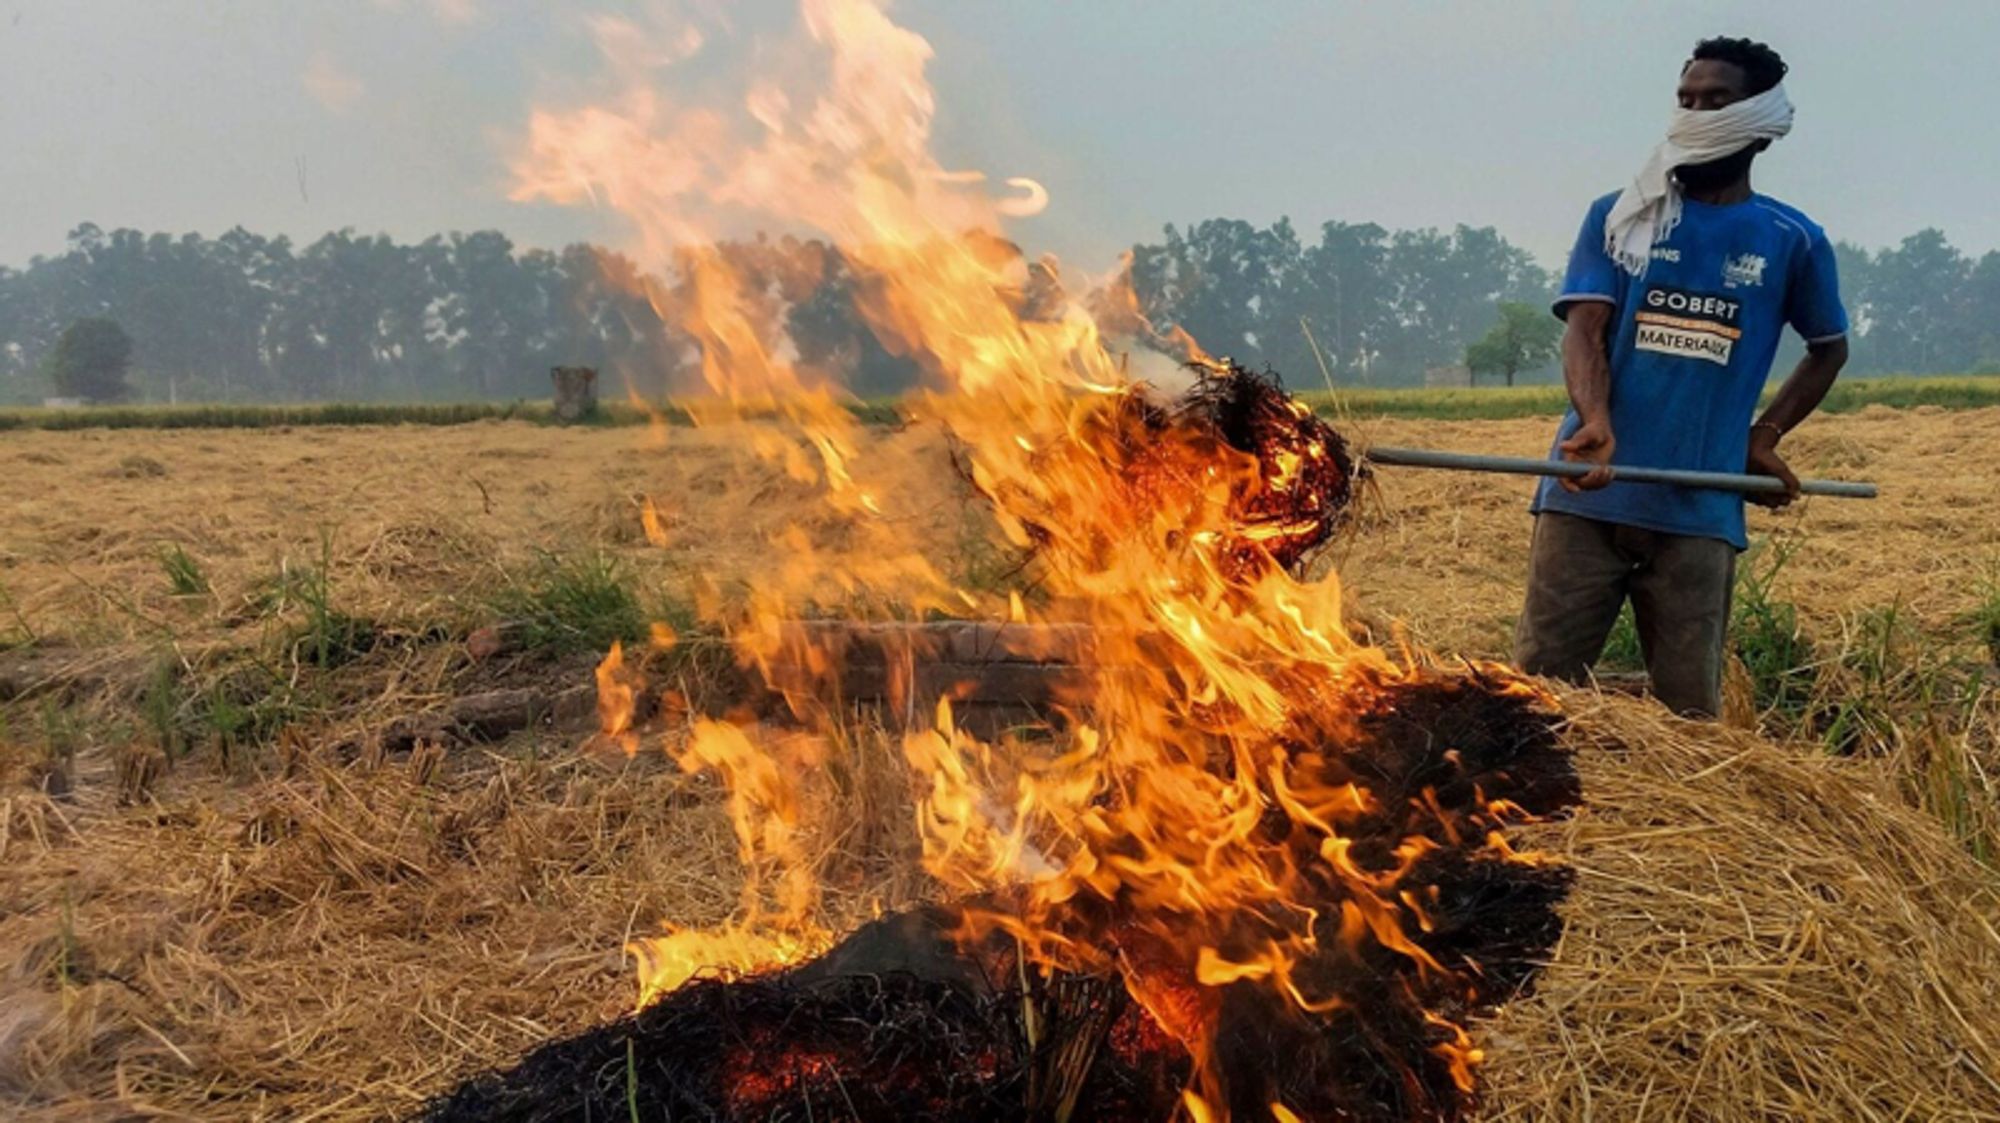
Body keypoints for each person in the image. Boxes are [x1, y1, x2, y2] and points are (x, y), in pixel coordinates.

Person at [1514, 36, 1849, 718]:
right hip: (1589, 494)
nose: (1693, 115)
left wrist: (1765, 435)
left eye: (1715, 102)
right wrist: (1596, 422)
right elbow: (1585, 329)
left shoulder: (1792, 238)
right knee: (1531, 700)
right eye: (1685, 100)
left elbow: (1828, 348)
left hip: (1701, 509)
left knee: (1689, 717)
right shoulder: (1622, 214)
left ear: (1758, 127)